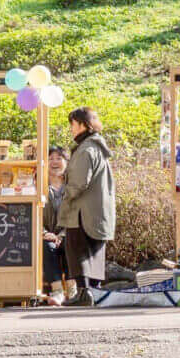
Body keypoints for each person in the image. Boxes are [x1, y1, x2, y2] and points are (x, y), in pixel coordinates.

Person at [60, 108, 116, 307]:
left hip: (82, 212)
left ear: (83, 124)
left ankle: (84, 294)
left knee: (78, 250)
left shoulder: (86, 149)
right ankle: (94, 292)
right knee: (94, 252)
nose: (71, 130)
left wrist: (65, 197)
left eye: (73, 125)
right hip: (97, 212)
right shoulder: (97, 147)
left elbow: (79, 182)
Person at [40, 145, 72, 305]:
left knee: (71, 243)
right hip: (47, 235)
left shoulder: (73, 187)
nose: (54, 162)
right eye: (50, 158)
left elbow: (78, 215)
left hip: (68, 233)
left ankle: (73, 292)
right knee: (47, 247)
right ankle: (57, 291)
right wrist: (44, 233)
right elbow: (33, 215)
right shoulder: (39, 187)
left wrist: (62, 235)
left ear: (66, 162)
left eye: (59, 158)